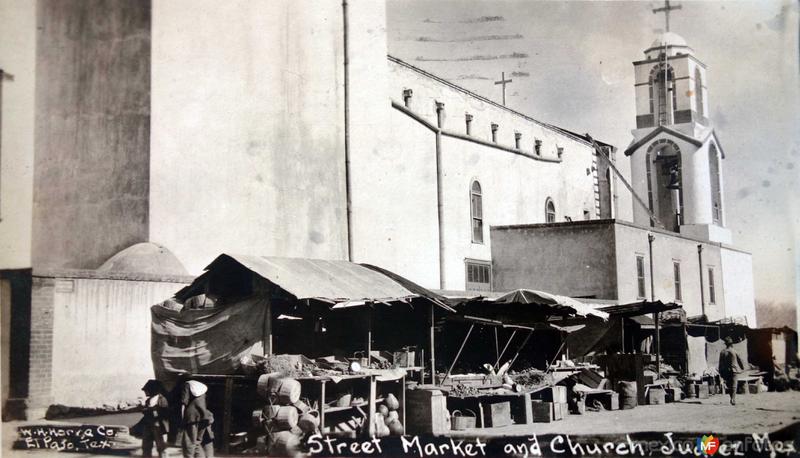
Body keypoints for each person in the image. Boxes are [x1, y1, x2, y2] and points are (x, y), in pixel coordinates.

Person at [181, 380, 215, 458]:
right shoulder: (202, 392)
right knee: (199, 442)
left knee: (189, 442)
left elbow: (184, 402)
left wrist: (182, 418)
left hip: (192, 418)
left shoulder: (187, 385)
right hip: (204, 417)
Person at [140, 380, 170, 458]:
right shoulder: (148, 401)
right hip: (149, 426)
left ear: (152, 390)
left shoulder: (162, 399)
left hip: (159, 427)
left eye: (146, 390)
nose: (145, 392)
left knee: (162, 448)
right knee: (146, 447)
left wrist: (152, 410)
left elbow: (165, 413)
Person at [718, 337, 745, 405]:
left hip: (726, 371)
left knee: (729, 385)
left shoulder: (722, 352)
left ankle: (731, 398)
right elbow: (740, 360)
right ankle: (733, 399)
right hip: (734, 370)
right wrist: (742, 368)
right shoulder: (734, 351)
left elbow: (720, 363)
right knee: (734, 385)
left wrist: (720, 371)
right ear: (731, 344)